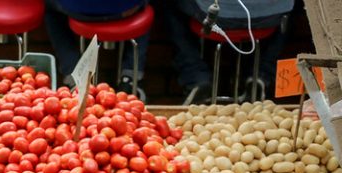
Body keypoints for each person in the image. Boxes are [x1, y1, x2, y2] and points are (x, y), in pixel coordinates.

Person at [160, 0, 293, 103]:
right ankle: (261, 74)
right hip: (272, 14)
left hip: (211, 14)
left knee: (167, 4)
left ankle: (195, 76)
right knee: (301, 7)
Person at [44, 0, 151, 100]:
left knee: (50, 6)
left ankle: (75, 79)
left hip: (78, 8)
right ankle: (131, 79)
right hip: (125, 8)